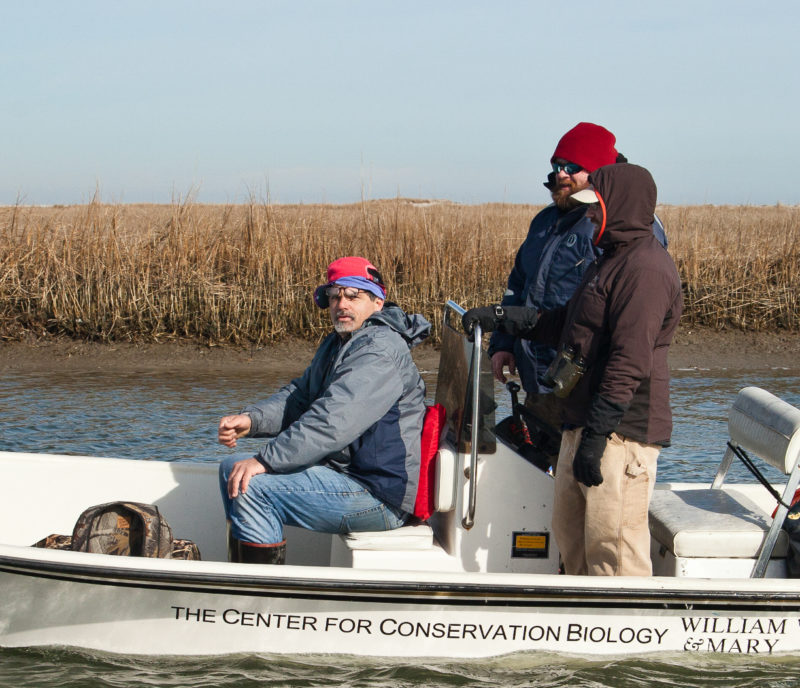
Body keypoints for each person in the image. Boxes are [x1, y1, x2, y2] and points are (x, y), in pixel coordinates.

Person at [463, 163, 682, 576]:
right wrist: (502, 318)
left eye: (596, 207)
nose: (591, 215)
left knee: (611, 548)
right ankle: (578, 630)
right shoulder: (609, 259)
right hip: (580, 419)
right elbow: (566, 324)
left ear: (620, 207)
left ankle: (626, 632)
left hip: (622, 431)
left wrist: (597, 438)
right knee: (570, 535)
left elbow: (628, 360)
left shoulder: (647, 269)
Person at [218, 256, 431, 564]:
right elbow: (301, 399)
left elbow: (332, 422)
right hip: (345, 476)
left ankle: (260, 598)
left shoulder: (379, 350)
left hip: (378, 494)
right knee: (233, 468)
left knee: (252, 487)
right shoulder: (340, 343)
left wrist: (265, 460)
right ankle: (240, 577)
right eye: (334, 296)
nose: (341, 304)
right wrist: (251, 419)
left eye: (352, 296)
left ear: (378, 301)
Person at [489, 123, 667, 459]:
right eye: (557, 166)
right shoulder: (544, 222)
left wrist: (602, 418)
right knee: (542, 482)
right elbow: (518, 287)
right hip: (540, 380)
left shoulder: (629, 231)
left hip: (586, 387)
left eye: (572, 168)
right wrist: (503, 343)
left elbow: (630, 334)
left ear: (600, 173)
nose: (561, 175)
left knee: (581, 477)